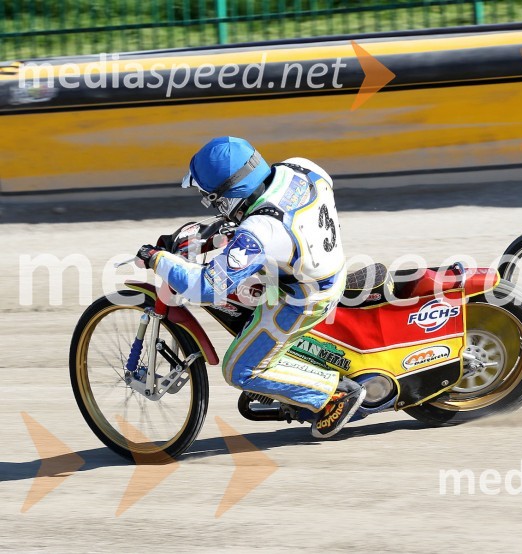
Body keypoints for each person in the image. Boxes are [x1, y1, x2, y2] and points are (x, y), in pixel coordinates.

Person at [135, 136, 365, 437]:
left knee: (238, 370)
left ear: (227, 198)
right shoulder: (300, 166)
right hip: (317, 260)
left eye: (211, 198)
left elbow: (205, 288)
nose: (210, 204)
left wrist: (157, 260)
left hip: (305, 297)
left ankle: (333, 394)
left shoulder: (260, 231)